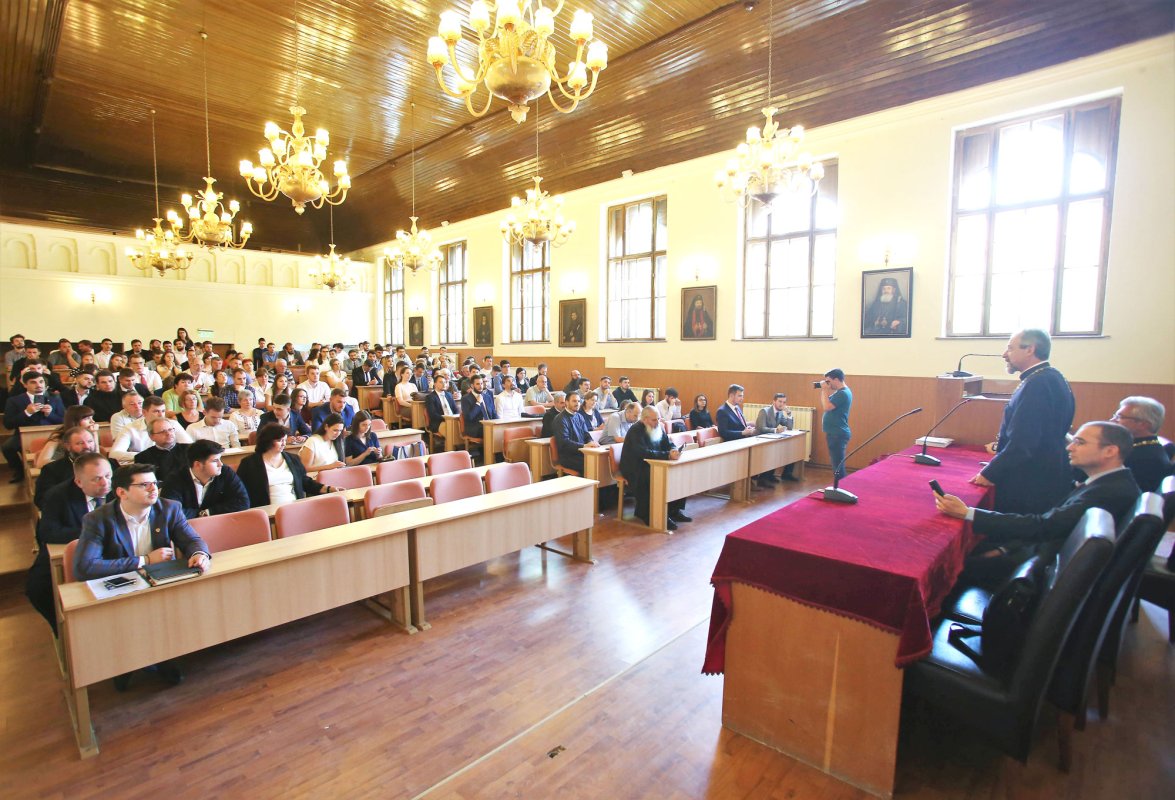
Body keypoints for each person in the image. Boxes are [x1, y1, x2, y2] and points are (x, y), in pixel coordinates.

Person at [937, 422, 1141, 585]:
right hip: (1041, 552)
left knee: (945, 567)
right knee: (967, 549)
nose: (1070, 447)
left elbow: (1045, 527)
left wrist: (968, 513)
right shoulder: (1110, 482)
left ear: (1110, 451)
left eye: (1080, 442)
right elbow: (1051, 523)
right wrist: (1005, 548)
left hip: (1042, 570)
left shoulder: (1107, 493)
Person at [972, 329, 1074, 514]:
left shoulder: (1036, 385)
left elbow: (1023, 443)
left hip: (1032, 481)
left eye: (1010, 348)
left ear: (1030, 349)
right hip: (1046, 472)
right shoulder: (1052, 377)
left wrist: (990, 472)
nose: (1004, 354)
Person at [74, 463, 211, 581]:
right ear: (122, 492)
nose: (153, 489)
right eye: (144, 485)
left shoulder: (170, 509)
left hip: (160, 579)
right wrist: (145, 560)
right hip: (122, 585)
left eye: (155, 483)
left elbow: (192, 540)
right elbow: (85, 567)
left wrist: (199, 554)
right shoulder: (98, 519)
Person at [25, 453, 113, 633]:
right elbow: (48, 532)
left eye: (108, 476)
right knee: (37, 588)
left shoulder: (120, 489)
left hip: (115, 549)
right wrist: (93, 531)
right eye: (96, 479)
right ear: (79, 482)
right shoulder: (57, 495)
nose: (105, 483)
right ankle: (66, 632)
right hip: (71, 545)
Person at [621, 406, 691, 530]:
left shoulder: (658, 427)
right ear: (645, 419)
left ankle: (674, 511)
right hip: (636, 467)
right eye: (654, 420)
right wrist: (666, 455)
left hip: (654, 462)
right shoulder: (635, 430)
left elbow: (667, 443)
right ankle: (651, 515)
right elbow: (643, 453)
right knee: (655, 478)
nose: (657, 422)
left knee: (679, 473)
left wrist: (673, 450)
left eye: (658, 419)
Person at [237, 423, 334, 508]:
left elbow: (305, 482)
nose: (284, 444)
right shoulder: (249, 463)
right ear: (268, 441)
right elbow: (241, 491)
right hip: (266, 511)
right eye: (280, 441)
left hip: (294, 507)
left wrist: (327, 488)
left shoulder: (293, 459)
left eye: (285, 440)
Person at [161, 439, 249, 519]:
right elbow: (171, 512)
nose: (220, 464)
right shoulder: (174, 479)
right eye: (215, 461)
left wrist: (208, 512)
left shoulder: (225, 472)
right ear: (198, 465)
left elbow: (243, 502)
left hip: (220, 523)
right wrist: (200, 514)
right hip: (187, 528)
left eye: (220, 459)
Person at [3, 370, 66, 482]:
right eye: (33, 382)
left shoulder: (55, 398)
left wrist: (50, 414)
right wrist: (27, 413)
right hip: (24, 434)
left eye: (41, 382)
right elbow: (8, 424)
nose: (38, 385)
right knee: (7, 447)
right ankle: (19, 471)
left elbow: (64, 421)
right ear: (25, 384)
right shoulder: (14, 401)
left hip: (52, 433)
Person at [1111, 396, 1172, 492]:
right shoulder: (1138, 447)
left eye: (1120, 417)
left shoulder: (1147, 459)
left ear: (1143, 424)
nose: (1112, 420)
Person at [33, 426, 102, 508]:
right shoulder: (51, 470)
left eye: (90, 441)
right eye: (80, 443)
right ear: (68, 446)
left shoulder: (107, 465)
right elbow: (42, 500)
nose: (87, 446)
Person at [33, 404, 98, 468]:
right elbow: (41, 463)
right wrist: (72, 464)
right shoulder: (59, 435)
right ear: (75, 421)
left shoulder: (91, 434)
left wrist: (94, 434)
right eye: (87, 418)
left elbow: (96, 460)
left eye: (92, 418)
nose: (92, 421)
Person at [754, 393, 798, 483]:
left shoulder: (780, 412)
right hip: (759, 439)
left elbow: (789, 427)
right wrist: (776, 430)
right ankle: (763, 478)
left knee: (787, 449)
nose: (782, 404)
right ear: (774, 401)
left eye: (784, 402)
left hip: (771, 439)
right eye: (780, 401)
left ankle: (771, 475)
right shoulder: (764, 411)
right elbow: (761, 428)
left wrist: (789, 414)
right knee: (773, 452)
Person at [134, 417, 191, 484]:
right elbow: (145, 483)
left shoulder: (190, 449)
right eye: (162, 431)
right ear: (151, 436)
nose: (168, 433)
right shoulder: (142, 458)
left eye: (170, 430)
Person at [818, 369, 852, 480]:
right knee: (837, 464)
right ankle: (839, 488)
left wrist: (824, 390)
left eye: (828, 381)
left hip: (837, 433)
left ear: (836, 379)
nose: (827, 384)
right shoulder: (840, 392)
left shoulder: (843, 393)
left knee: (837, 465)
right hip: (835, 433)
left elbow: (827, 407)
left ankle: (840, 488)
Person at [461, 374, 498, 459]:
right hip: (474, 427)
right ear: (472, 385)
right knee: (489, 431)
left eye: (481, 383)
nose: (480, 386)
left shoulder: (487, 397)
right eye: (477, 384)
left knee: (501, 431)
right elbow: (469, 417)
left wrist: (499, 423)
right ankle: (489, 458)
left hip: (488, 425)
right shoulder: (466, 399)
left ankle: (498, 458)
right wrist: (478, 403)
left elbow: (493, 413)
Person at [554, 392, 591, 473]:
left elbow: (586, 434)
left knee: (600, 461)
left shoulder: (579, 416)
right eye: (574, 401)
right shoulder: (560, 419)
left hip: (582, 452)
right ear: (567, 402)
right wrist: (584, 446)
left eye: (578, 401)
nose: (577, 403)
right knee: (591, 464)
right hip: (569, 456)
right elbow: (564, 442)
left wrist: (591, 442)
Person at [426, 374, 458, 439]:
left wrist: (455, 418)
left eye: (445, 382)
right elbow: (433, 414)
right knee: (450, 430)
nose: (443, 384)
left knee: (460, 427)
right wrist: (446, 419)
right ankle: (449, 448)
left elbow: (455, 410)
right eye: (441, 382)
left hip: (452, 419)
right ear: (435, 384)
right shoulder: (430, 397)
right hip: (439, 422)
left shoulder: (449, 395)